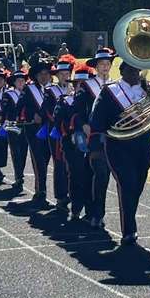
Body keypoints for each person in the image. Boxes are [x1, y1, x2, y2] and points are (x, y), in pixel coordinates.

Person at [89, 60, 150, 244]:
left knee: (136, 186)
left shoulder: (147, 88)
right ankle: (129, 229)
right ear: (122, 71)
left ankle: (129, 218)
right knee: (127, 185)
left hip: (143, 146)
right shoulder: (109, 91)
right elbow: (96, 119)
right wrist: (96, 146)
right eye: (130, 69)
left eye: (137, 69)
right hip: (118, 147)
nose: (134, 73)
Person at [76, 47, 114, 227]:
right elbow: (77, 109)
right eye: (102, 64)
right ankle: (96, 213)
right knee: (98, 175)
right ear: (96, 67)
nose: (105, 67)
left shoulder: (116, 86)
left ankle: (95, 211)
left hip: (114, 139)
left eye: (107, 64)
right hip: (94, 138)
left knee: (102, 176)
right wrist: (83, 124)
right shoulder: (87, 85)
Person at [57, 63, 92, 221]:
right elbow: (58, 120)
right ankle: (76, 208)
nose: (81, 88)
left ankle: (91, 211)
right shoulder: (65, 100)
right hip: (71, 143)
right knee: (76, 175)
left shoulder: (95, 101)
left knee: (91, 176)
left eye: (84, 85)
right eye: (78, 85)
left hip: (91, 143)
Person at [18, 58, 53, 207]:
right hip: (34, 130)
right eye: (41, 74)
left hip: (52, 130)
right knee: (39, 160)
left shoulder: (54, 89)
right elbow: (20, 107)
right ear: (36, 76)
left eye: (46, 73)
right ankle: (41, 190)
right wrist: (32, 115)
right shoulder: (28, 89)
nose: (44, 76)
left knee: (51, 160)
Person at [45, 54, 75, 213]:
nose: (65, 76)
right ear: (56, 76)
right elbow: (48, 111)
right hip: (57, 131)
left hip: (72, 132)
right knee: (59, 163)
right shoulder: (50, 90)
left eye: (67, 74)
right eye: (62, 74)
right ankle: (61, 196)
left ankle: (73, 193)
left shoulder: (75, 89)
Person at [3, 67, 30, 190]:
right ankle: (18, 176)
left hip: (24, 125)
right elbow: (6, 110)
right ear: (14, 82)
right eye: (18, 80)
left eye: (22, 80)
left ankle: (20, 173)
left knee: (23, 150)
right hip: (12, 124)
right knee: (15, 150)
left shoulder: (28, 94)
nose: (21, 82)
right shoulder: (8, 94)